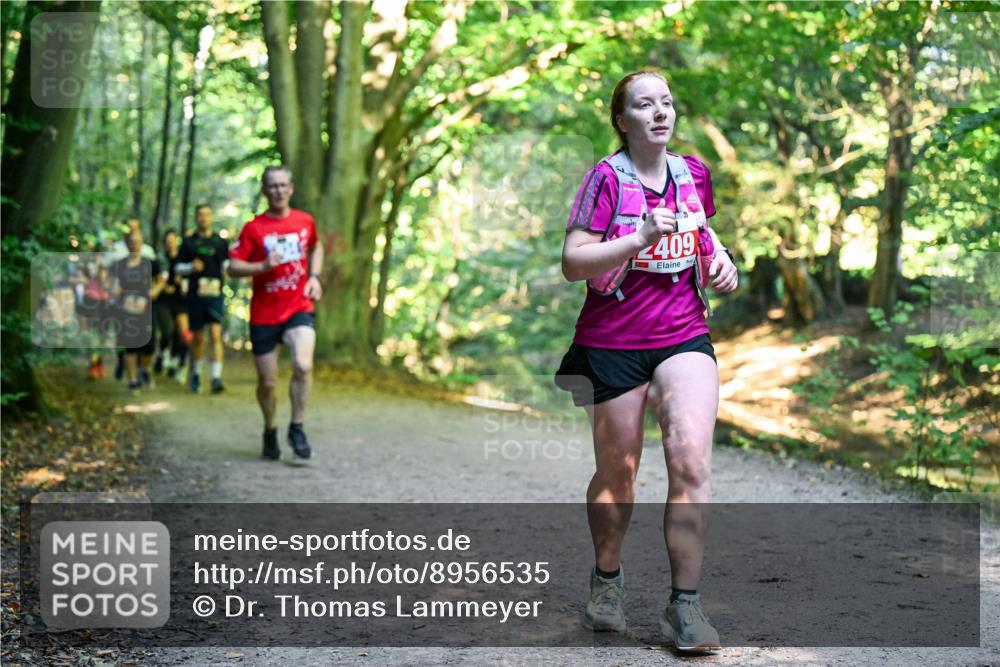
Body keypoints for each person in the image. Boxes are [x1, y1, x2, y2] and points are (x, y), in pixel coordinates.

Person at [554, 70, 738, 653]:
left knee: (690, 460)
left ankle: (685, 606)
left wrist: (723, 261)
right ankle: (606, 581)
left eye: (665, 103)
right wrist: (637, 237)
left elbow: (703, 234)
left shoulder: (693, 174)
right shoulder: (606, 180)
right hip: (612, 341)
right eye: (643, 105)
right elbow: (573, 262)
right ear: (622, 120)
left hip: (684, 333)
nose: (659, 112)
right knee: (618, 473)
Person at [228, 166, 324, 462]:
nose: (279, 191)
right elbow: (232, 267)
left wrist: (314, 277)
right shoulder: (254, 228)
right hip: (264, 314)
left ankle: (297, 427)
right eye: (273, 186)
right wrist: (262, 266)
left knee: (303, 365)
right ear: (264, 191)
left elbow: (316, 246)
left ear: (291, 188)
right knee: (268, 383)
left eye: (283, 185)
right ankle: (270, 429)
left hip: (298, 307)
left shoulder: (305, 221)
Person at [175, 204, 230, 394]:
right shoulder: (188, 242)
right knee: (198, 338)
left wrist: (230, 270)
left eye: (207, 214)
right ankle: (196, 373)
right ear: (196, 217)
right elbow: (177, 268)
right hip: (195, 296)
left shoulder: (220, 242)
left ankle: (216, 377)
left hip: (215, 295)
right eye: (200, 215)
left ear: (212, 217)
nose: (204, 218)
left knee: (215, 334)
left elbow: (227, 264)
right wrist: (191, 267)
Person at [111, 228, 165, 392]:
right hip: (126, 310)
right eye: (131, 242)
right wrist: (115, 291)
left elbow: (161, 279)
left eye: (137, 242)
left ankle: (144, 368)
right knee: (130, 345)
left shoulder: (150, 263)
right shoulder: (120, 264)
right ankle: (133, 379)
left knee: (149, 346)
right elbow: (113, 282)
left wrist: (155, 291)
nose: (134, 245)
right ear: (127, 244)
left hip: (146, 309)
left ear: (142, 244)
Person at [153, 229, 190, 380]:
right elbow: (155, 277)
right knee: (167, 331)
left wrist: (182, 284)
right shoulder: (160, 259)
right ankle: (162, 354)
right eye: (167, 241)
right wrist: (162, 286)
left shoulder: (183, 259)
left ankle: (179, 362)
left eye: (172, 240)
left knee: (183, 333)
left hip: (180, 300)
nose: (170, 243)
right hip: (163, 300)